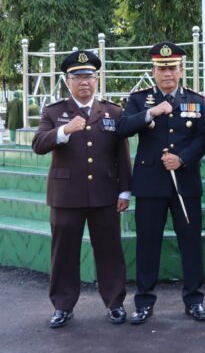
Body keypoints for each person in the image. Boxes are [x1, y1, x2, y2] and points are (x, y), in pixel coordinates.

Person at [32, 50, 131, 328]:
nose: (84, 82)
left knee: (110, 252)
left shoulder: (112, 112)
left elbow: (121, 155)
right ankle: (63, 306)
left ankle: (114, 303)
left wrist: (124, 191)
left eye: (88, 76)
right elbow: (38, 144)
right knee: (63, 253)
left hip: (104, 195)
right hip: (66, 196)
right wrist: (64, 132)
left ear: (96, 80)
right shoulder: (54, 112)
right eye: (77, 77)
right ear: (67, 81)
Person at [117, 42, 205, 325]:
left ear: (181, 70)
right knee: (148, 244)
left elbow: (204, 137)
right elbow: (123, 128)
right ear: (153, 71)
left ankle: (194, 300)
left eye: (172, 68)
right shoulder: (139, 99)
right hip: (150, 182)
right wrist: (151, 113)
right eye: (161, 68)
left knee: (191, 243)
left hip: (184, 183)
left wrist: (182, 159)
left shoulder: (195, 99)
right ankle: (144, 302)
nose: (167, 73)